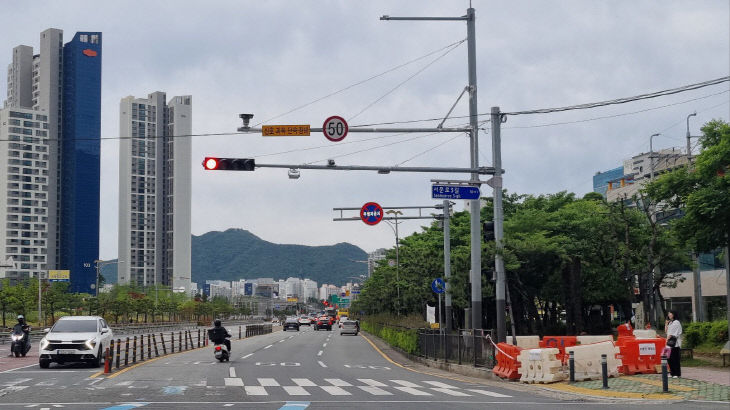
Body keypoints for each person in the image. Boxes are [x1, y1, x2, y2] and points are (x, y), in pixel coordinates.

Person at [664, 310, 682, 378]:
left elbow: (675, 333)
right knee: (669, 358)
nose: (669, 315)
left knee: (675, 359)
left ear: (674, 314)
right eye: (668, 313)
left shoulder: (676, 322)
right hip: (668, 343)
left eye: (670, 313)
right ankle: (672, 372)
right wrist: (666, 323)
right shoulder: (670, 322)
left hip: (674, 343)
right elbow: (666, 331)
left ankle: (677, 373)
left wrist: (669, 337)